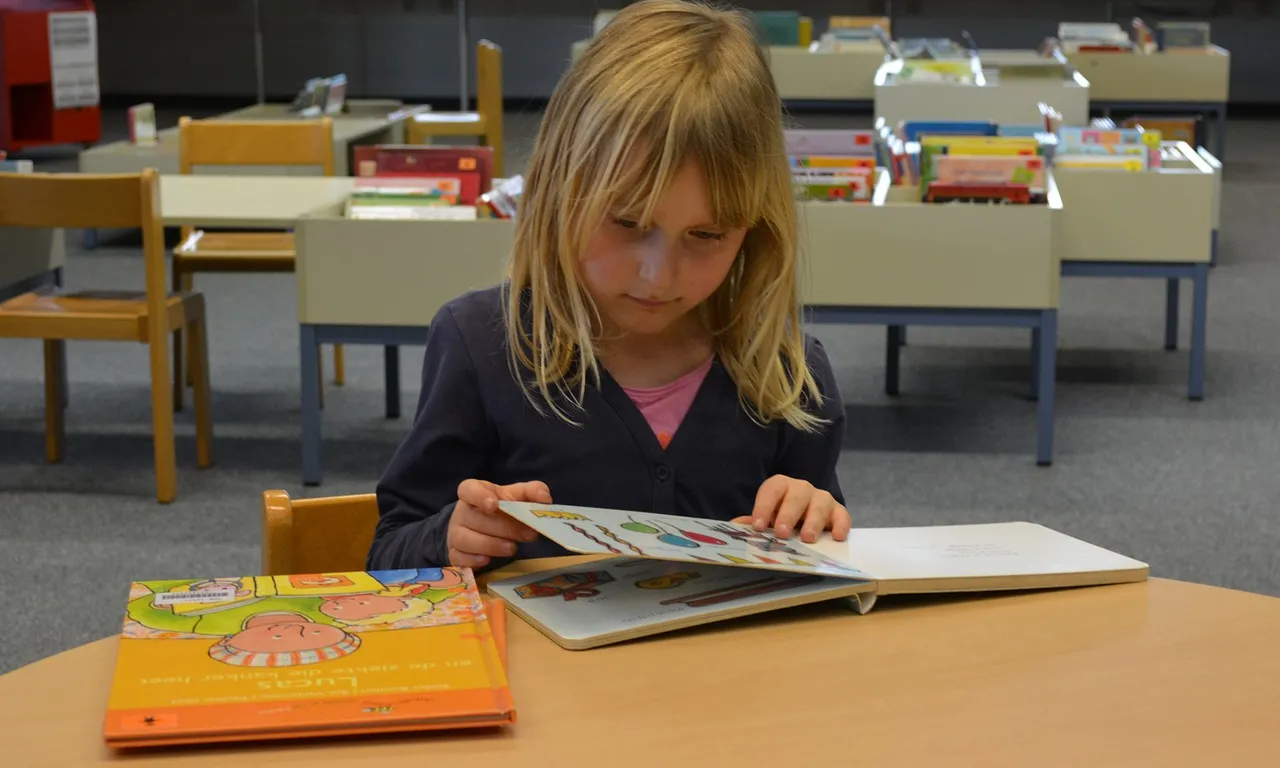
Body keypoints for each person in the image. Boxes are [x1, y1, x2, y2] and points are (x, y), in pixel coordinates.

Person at [368, 0, 850, 572]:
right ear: (558, 190)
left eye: (707, 234)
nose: (658, 275)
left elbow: (827, 565)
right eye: (627, 223)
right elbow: (390, 551)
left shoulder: (789, 374)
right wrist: (448, 537)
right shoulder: (480, 346)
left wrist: (815, 522)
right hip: (537, 662)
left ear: (755, 229)